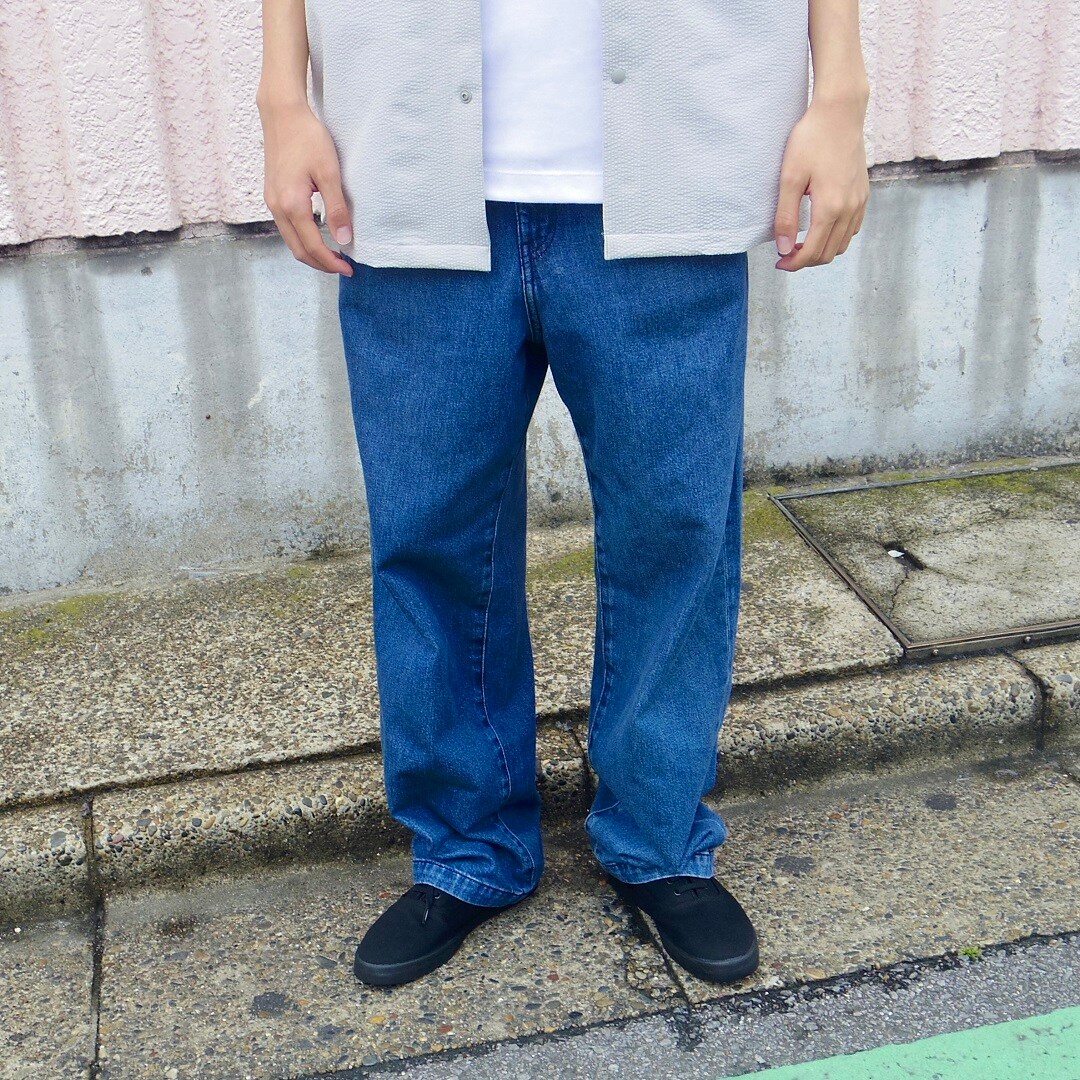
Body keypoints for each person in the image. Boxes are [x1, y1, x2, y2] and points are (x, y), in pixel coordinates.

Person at [257, 0, 869, 988]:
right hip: (408, 163)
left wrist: (840, 97)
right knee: (430, 538)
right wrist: (283, 101)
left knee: (676, 530)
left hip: (671, 158)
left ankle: (659, 839)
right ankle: (467, 846)